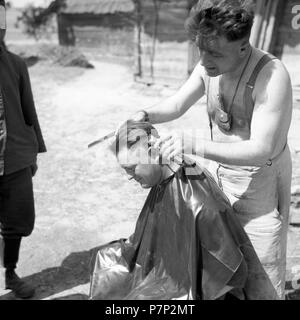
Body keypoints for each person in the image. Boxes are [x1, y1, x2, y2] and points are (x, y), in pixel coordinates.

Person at [128, 0, 293, 299]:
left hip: (259, 191)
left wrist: (192, 144)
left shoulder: (272, 75)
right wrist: (145, 115)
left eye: (214, 52)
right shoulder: (209, 65)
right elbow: (178, 104)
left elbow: (262, 150)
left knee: (261, 279)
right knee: (217, 269)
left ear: (243, 48)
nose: (203, 60)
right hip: (217, 181)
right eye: (200, 49)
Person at [89, 121, 279, 300]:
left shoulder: (200, 205)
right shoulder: (165, 173)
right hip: (161, 268)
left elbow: (228, 273)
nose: (130, 177)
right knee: (104, 261)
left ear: (155, 153)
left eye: (132, 168)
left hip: (181, 286)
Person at [0, 0, 46, 299]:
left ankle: (11, 273)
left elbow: (28, 112)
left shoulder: (15, 64)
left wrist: (32, 153)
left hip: (14, 158)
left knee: (17, 219)